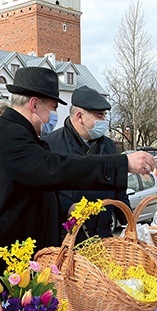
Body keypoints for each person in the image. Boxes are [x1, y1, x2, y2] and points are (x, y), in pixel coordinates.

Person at [0, 66, 156, 276]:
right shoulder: (10, 135)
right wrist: (122, 164)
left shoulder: (19, 132)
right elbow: (55, 169)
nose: (53, 116)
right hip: (14, 257)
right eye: (53, 108)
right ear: (34, 104)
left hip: (31, 251)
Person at [45, 85, 129, 241]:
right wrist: (68, 207)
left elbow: (119, 191)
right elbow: (45, 193)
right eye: (100, 116)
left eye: (105, 115)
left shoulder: (108, 145)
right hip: (67, 239)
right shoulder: (51, 145)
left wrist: (129, 222)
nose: (104, 121)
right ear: (79, 116)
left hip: (103, 237)